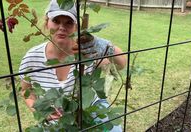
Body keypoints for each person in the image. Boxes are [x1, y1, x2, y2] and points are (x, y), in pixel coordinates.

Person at [19, 0, 126, 131]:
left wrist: (102, 45)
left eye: (69, 22)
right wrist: (42, 111)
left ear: (77, 27)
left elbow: (121, 63)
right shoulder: (32, 58)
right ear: (47, 23)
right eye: (56, 21)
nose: (62, 27)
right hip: (57, 115)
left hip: (91, 107)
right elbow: (25, 90)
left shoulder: (86, 52)